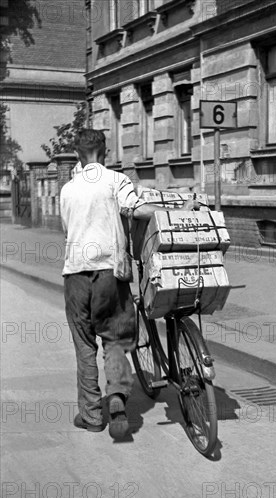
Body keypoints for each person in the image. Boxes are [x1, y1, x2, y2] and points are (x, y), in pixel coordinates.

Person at [60, 129, 199, 440]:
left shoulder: (67, 189)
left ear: (77, 155)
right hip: (110, 273)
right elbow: (136, 209)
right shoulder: (115, 180)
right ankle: (118, 402)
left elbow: (66, 230)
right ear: (105, 152)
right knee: (115, 339)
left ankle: (93, 415)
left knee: (84, 345)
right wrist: (177, 211)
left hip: (75, 275)